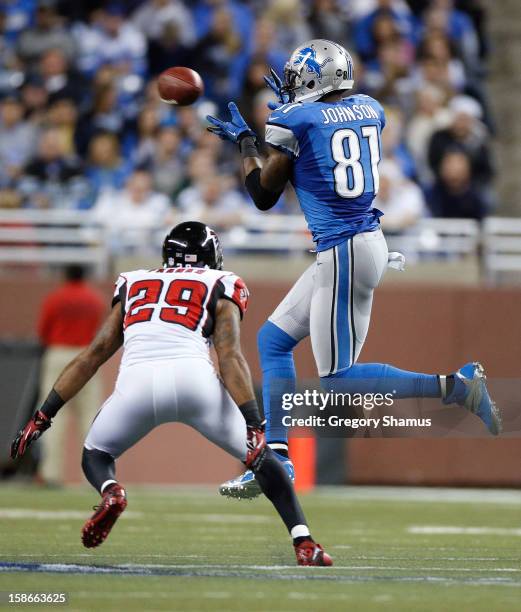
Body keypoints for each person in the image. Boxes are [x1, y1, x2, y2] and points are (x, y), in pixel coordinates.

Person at [206, 38, 501, 499]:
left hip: (345, 248)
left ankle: (456, 386)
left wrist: (247, 142)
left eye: (295, 79)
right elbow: (326, 129)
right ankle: (277, 457)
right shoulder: (370, 107)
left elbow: (263, 195)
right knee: (273, 339)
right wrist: (292, 120)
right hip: (358, 243)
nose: (288, 86)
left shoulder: (294, 118)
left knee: (337, 378)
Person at [11, 222, 332, 567]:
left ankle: (111, 491)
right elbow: (229, 356)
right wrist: (254, 422)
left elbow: (94, 354)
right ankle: (304, 542)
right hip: (196, 382)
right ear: (210, 257)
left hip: (136, 383)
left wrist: (43, 415)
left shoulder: (133, 280)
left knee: (96, 454)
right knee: (262, 458)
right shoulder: (221, 283)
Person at [35, 265, 105, 485]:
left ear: (65, 275)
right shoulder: (95, 299)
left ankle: (50, 474)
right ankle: (93, 476)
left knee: (50, 417)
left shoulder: (55, 298)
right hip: (86, 356)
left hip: (58, 353)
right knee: (90, 417)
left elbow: (43, 331)